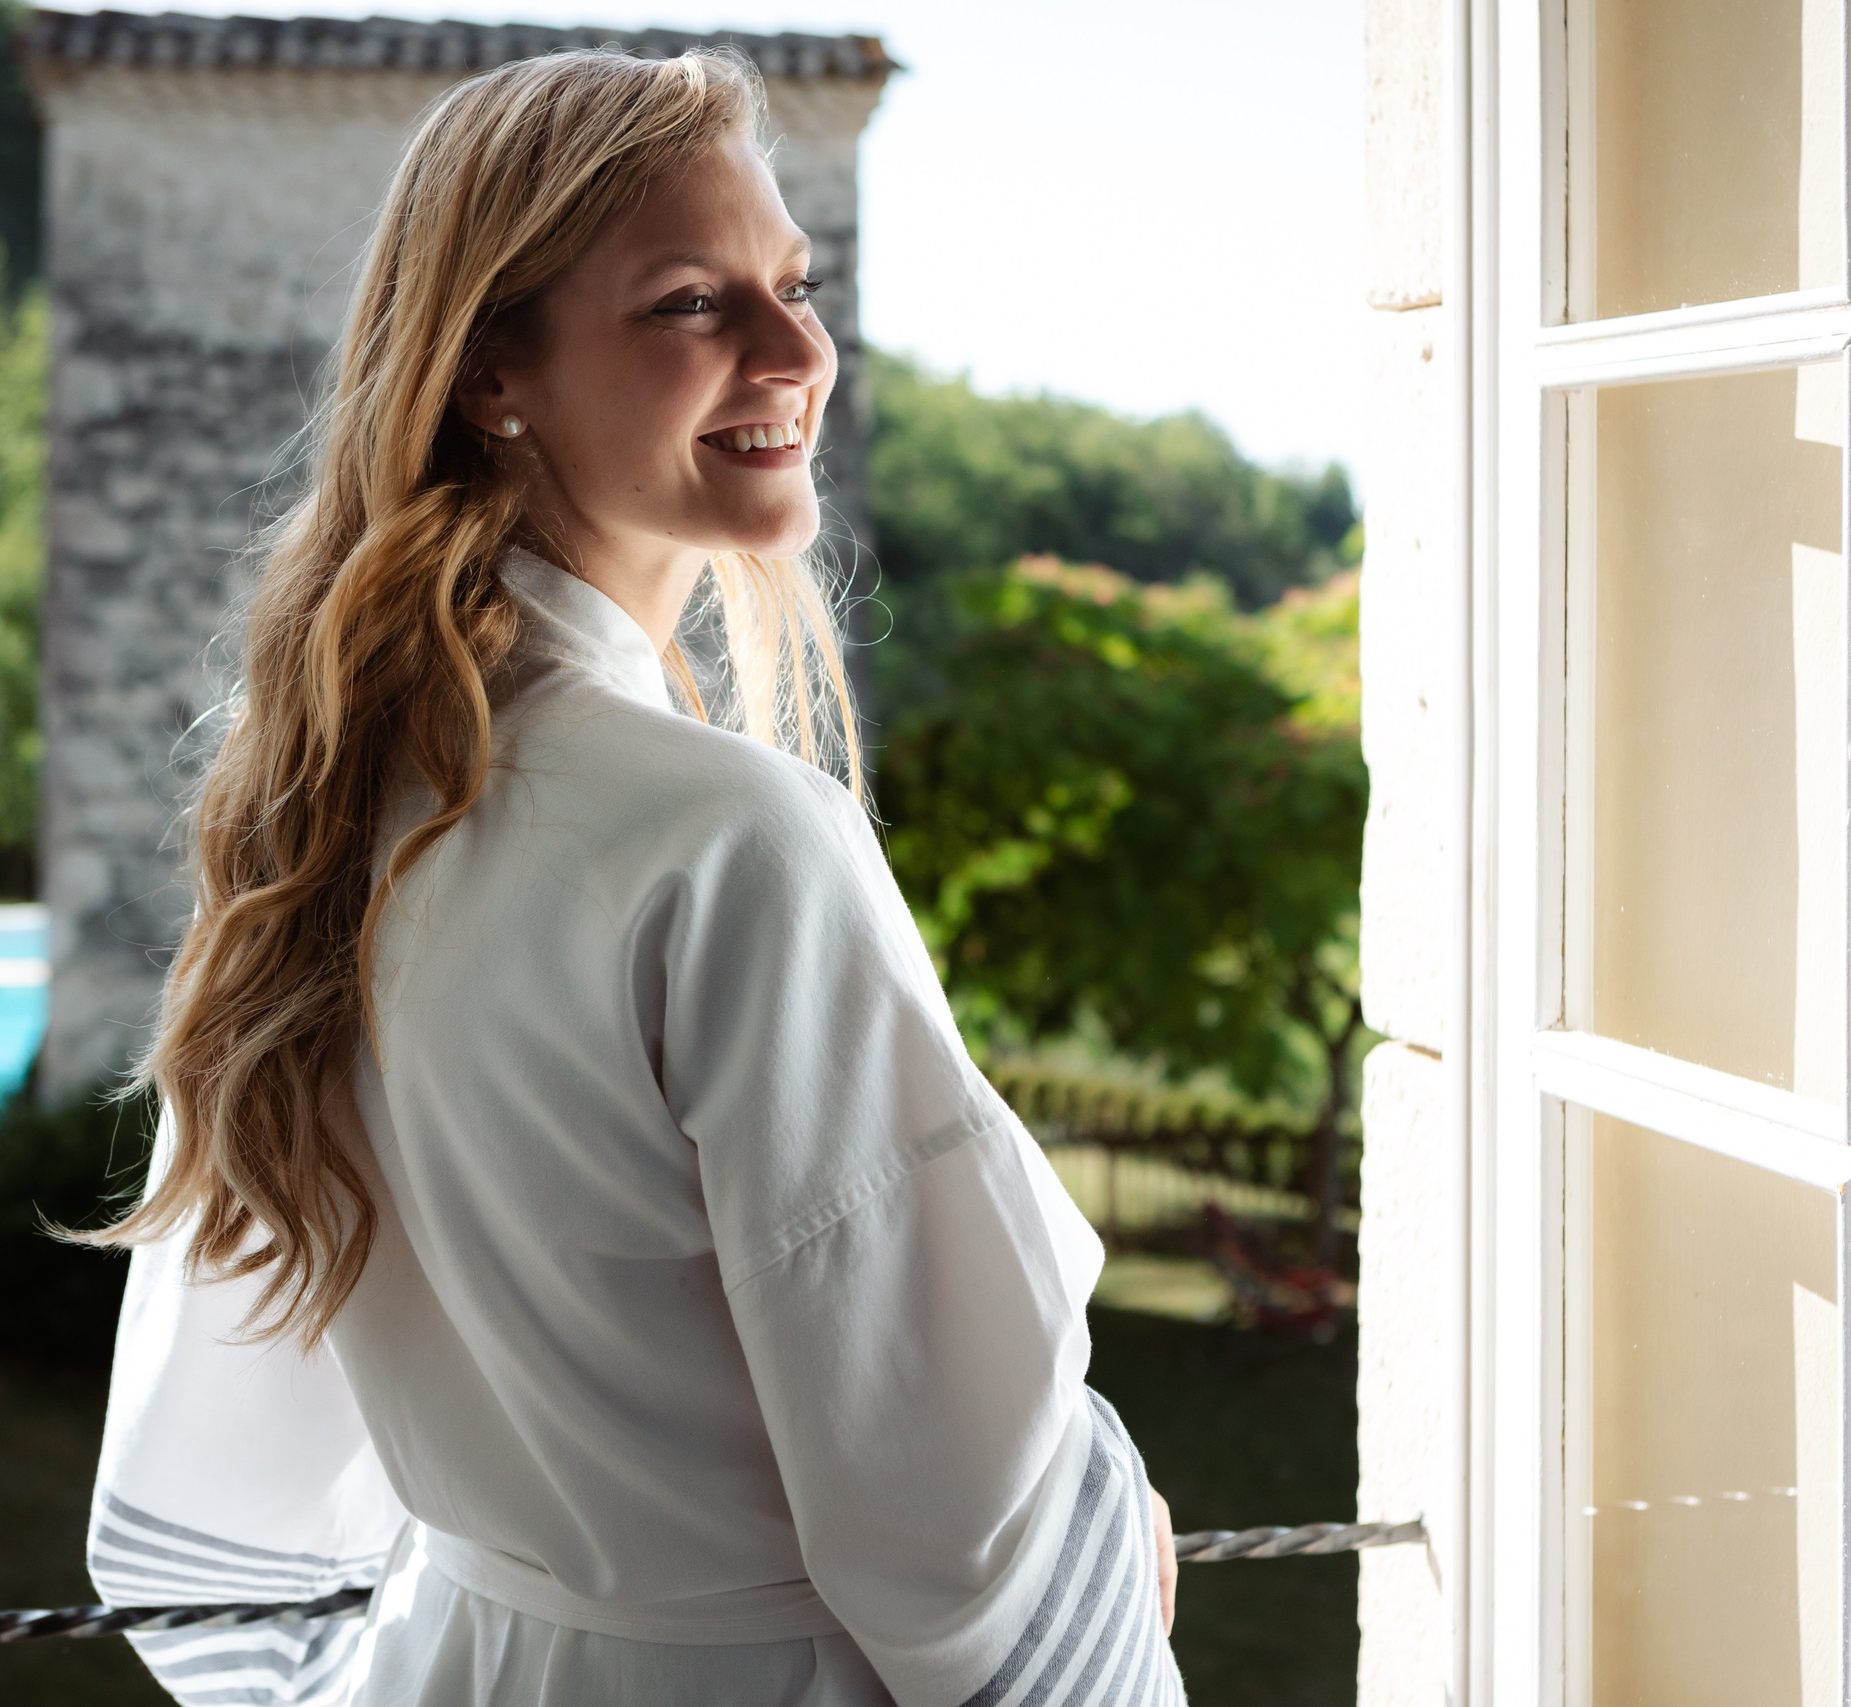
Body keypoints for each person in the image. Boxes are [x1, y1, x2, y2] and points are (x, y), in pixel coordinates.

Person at [81, 46, 1186, 1707]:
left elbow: (214, 1485)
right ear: (488, 374)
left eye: (795, 287)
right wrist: (1115, 1575)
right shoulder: (734, 845)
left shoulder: (308, 821)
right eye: (689, 303)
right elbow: (955, 1525)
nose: (798, 351)